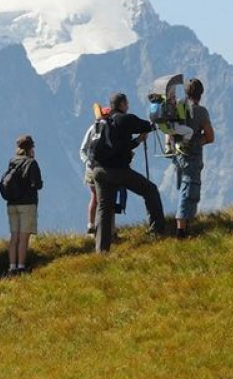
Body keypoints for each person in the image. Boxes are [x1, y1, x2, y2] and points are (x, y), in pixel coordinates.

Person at [91, 92, 166, 253]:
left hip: (98, 170)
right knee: (149, 190)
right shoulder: (124, 119)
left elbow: (118, 146)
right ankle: (157, 231)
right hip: (117, 170)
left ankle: (101, 251)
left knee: (104, 208)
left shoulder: (102, 121)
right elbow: (148, 125)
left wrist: (137, 141)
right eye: (127, 103)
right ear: (123, 104)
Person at [174, 79, 215, 239]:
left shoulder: (177, 108)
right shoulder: (200, 111)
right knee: (189, 188)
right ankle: (181, 231)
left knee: (184, 185)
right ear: (201, 93)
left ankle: (184, 224)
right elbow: (210, 136)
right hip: (192, 155)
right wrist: (198, 141)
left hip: (177, 153)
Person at [3, 135, 44, 275]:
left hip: (11, 204)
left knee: (14, 236)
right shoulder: (31, 162)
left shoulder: (12, 161)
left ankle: (11, 266)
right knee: (24, 237)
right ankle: (21, 266)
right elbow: (37, 184)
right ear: (31, 147)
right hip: (27, 204)